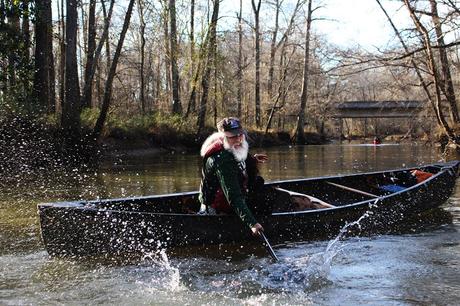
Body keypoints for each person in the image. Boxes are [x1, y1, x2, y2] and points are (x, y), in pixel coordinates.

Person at [198, 117, 268, 236]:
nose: (238, 140)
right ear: (222, 137)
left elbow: (239, 158)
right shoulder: (222, 160)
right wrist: (252, 224)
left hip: (231, 202)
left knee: (260, 186)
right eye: (233, 136)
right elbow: (234, 196)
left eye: (240, 135)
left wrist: (252, 159)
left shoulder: (235, 145)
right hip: (217, 209)